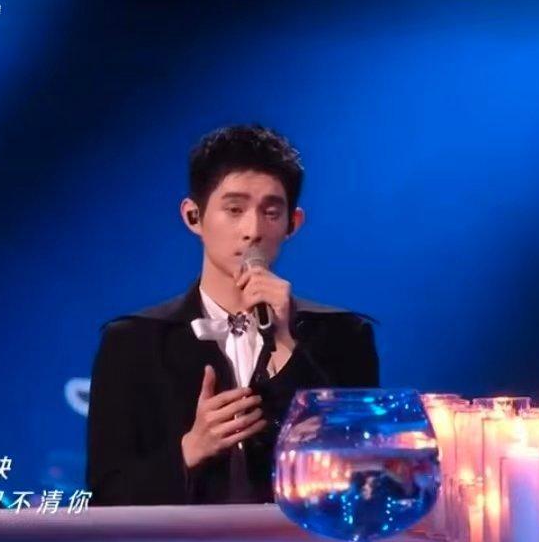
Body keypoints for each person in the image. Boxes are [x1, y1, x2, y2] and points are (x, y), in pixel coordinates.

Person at [86, 125, 379, 505]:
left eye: (271, 212)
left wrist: (285, 343)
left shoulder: (344, 335)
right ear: (193, 216)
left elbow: (361, 475)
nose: (252, 230)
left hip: (299, 541)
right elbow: (106, 495)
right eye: (234, 210)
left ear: (293, 223)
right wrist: (190, 449)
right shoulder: (133, 342)